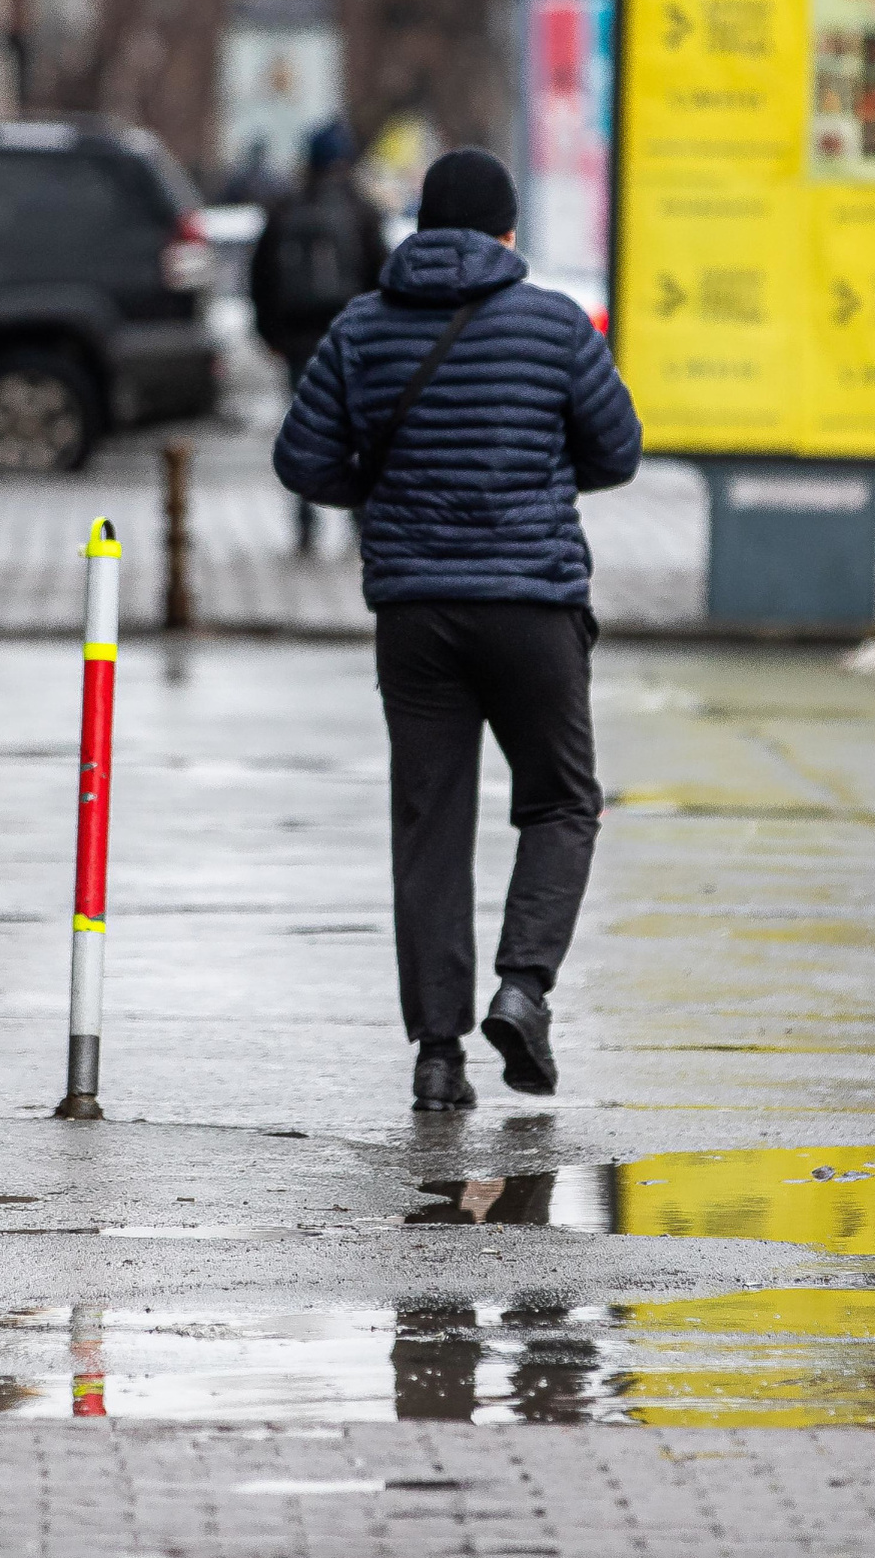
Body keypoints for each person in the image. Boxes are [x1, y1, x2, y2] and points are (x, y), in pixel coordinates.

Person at [271, 147, 641, 1112]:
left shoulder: (362, 326)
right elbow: (619, 449)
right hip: (535, 606)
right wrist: (540, 480)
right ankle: (523, 988)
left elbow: (301, 460)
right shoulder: (556, 325)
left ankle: (439, 1055)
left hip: (416, 614)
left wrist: (381, 492)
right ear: (508, 233)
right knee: (562, 802)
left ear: (422, 229)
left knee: (431, 825)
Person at [249, 120, 390, 552]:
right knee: (356, 431)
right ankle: (360, 522)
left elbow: (261, 277)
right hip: (352, 340)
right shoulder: (362, 210)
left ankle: (305, 523)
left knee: (304, 429)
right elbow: (381, 277)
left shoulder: (284, 207)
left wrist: (270, 334)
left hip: (296, 341)